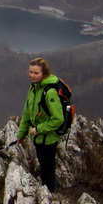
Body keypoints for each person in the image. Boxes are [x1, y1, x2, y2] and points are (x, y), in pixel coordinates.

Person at [17, 57, 64, 193]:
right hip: (37, 137)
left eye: (36, 73)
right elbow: (27, 113)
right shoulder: (34, 88)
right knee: (44, 165)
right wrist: (21, 135)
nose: (32, 75)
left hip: (48, 139)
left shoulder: (49, 92)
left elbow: (58, 119)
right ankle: (46, 191)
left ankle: (49, 194)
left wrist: (39, 129)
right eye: (31, 72)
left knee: (48, 168)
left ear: (44, 73)